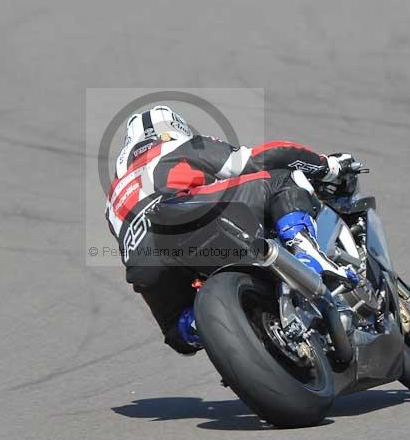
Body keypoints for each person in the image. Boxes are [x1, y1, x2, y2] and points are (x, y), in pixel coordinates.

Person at [105, 105, 358, 355]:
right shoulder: (176, 145)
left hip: (142, 263)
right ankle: (307, 254)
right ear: (173, 128)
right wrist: (329, 166)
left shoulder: (113, 198)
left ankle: (198, 325)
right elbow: (255, 160)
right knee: (283, 178)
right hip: (183, 217)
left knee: (176, 332)